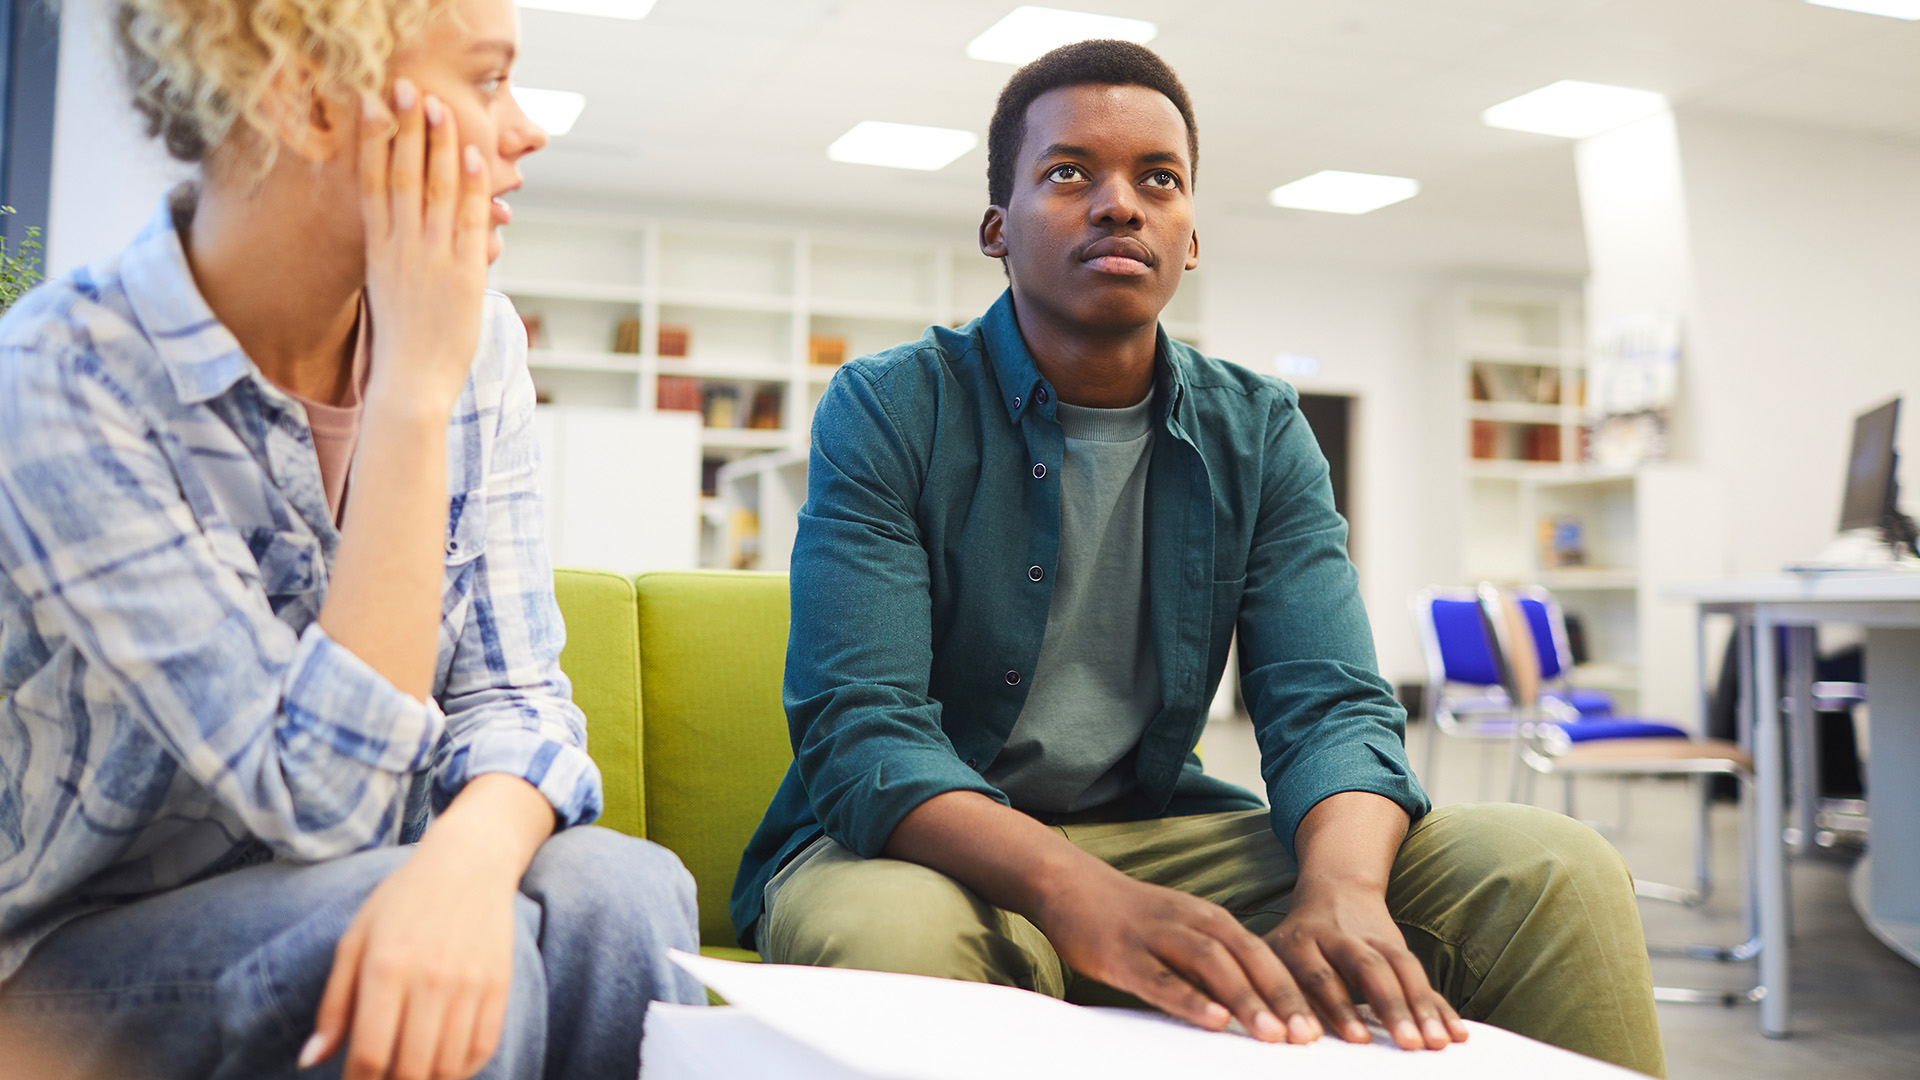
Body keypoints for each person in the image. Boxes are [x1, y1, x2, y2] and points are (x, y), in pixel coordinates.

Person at [732, 39, 1666, 1079]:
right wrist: (1074, 892)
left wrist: (1344, 892)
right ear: (998, 229)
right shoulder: (892, 405)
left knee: (1548, 867)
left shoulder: (1260, 430)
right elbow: (865, 730)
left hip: (1157, 831)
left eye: (1158, 179)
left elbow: (1331, 704)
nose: (1120, 203)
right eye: (1069, 172)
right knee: (891, 943)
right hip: (922, 850)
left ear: (1190, 237)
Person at [0, 1, 703, 1077]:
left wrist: (461, 868)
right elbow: (328, 807)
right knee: (420, 927)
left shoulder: (484, 342)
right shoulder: (62, 381)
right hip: (68, 960)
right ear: (311, 99)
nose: (524, 129)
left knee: (626, 890)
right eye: (484, 80)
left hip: (349, 872)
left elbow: (519, 700)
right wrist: (413, 392)